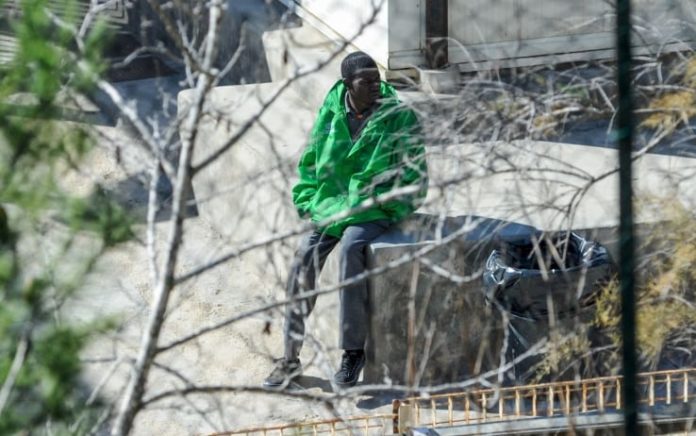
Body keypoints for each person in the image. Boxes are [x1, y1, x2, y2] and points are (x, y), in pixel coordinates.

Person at [264, 51, 428, 388]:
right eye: (365, 82)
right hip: (330, 205)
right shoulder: (332, 111)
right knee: (302, 261)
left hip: (373, 206)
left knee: (352, 250)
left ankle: (353, 353)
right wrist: (308, 200)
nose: (374, 87)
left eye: (377, 80)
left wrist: (392, 209)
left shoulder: (400, 117)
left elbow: (416, 175)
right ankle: (289, 359)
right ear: (346, 85)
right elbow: (311, 160)